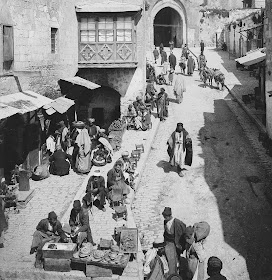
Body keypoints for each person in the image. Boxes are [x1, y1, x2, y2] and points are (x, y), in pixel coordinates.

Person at [162, 207, 186, 275]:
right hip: (167, 243)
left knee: (174, 261)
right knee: (168, 261)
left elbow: (183, 232)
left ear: (169, 216)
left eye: (165, 217)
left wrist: (180, 245)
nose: (164, 218)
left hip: (174, 244)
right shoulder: (165, 221)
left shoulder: (177, 222)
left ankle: (174, 275)